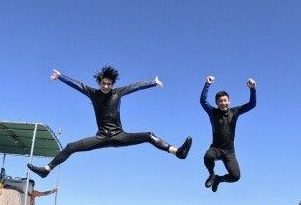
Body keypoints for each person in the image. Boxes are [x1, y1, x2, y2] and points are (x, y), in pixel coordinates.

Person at [27, 66, 192, 177]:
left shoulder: (117, 92)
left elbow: (135, 87)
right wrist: (61, 77)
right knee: (71, 147)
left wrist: (153, 83)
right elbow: (77, 85)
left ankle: (177, 152)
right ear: (99, 83)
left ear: (112, 84)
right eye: (103, 83)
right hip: (101, 138)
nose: (106, 86)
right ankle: (47, 170)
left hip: (120, 136)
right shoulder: (93, 93)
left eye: (109, 84)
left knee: (149, 135)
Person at [199, 75, 256, 192]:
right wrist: (207, 84)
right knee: (208, 156)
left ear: (229, 101)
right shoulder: (213, 112)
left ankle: (219, 179)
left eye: (225, 100)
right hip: (216, 148)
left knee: (236, 176)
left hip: (229, 151)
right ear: (216, 103)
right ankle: (212, 175)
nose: (223, 103)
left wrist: (253, 89)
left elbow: (252, 104)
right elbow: (203, 101)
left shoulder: (235, 112)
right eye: (220, 101)